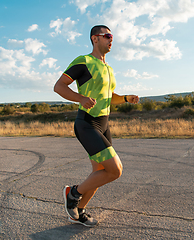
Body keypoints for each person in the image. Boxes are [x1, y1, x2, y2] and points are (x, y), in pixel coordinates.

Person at [54, 25, 139, 227]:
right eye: (108, 36)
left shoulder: (108, 69)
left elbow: (109, 97)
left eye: (112, 37)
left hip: (103, 124)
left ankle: (78, 211)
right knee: (115, 170)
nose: (111, 40)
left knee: (99, 173)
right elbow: (59, 87)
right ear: (95, 38)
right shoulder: (84, 61)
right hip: (87, 123)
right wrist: (80, 98)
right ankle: (72, 193)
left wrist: (126, 98)